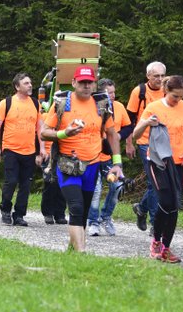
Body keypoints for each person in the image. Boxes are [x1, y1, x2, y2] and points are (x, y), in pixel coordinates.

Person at [39, 67, 123, 252]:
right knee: (76, 207)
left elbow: (112, 134)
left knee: (83, 211)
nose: (86, 86)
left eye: (89, 82)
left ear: (94, 84)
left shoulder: (101, 104)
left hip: (92, 165)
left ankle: (73, 247)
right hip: (67, 164)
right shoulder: (62, 103)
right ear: (74, 82)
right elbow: (44, 133)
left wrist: (117, 164)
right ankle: (81, 252)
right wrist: (64, 133)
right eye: (82, 82)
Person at [129, 75, 183, 263]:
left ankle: (167, 248)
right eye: (175, 96)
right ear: (166, 91)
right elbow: (136, 135)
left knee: (174, 205)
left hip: (179, 161)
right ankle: (156, 243)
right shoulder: (153, 108)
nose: (178, 100)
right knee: (165, 201)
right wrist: (145, 123)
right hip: (158, 161)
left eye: (181, 96)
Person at [0, 73, 41, 226]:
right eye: (26, 83)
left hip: (29, 150)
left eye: (30, 82)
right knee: (11, 181)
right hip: (11, 149)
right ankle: (5, 208)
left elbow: (40, 128)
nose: (30, 85)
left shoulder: (35, 103)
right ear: (17, 86)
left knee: (25, 185)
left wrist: (42, 149)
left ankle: (19, 215)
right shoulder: (6, 103)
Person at [88, 78, 133, 236]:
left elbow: (128, 126)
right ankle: (92, 222)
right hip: (92, 157)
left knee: (117, 186)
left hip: (109, 158)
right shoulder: (91, 107)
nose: (113, 96)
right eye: (109, 93)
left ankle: (106, 217)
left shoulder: (119, 107)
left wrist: (119, 136)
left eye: (114, 92)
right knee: (96, 190)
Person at [126, 61, 166, 232]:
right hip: (144, 141)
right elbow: (128, 120)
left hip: (164, 142)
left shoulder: (168, 89)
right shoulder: (139, 92)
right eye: (156, 76)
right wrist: (129, 143)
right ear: (148, 76)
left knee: (159, 183)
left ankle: (142, 208)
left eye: (162, 75)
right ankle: (155, 223)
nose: (160, 79)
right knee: (154, 183)